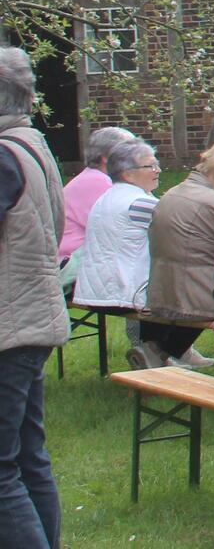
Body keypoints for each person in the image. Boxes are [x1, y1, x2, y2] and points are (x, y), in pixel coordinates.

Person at [0, 46, 65, 549]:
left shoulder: (4, 155)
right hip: (30, 316)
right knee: (27, 457)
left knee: (3, 473)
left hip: (10, 325)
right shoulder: (32, 143)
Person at [137, 138, 214, 370]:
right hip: (195, 295)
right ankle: (158, 353)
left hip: (159, 287)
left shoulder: (173, 192)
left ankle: (155, 350)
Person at [73, 138, 162, 346]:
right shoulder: (140, 202)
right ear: (128, 174)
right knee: (197, 288)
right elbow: (178, 236)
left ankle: (161, 350)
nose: (157, 170)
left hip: (96, 291)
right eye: (150, 166)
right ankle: (161, 350)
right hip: (124, 294)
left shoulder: (107, 197)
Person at [57, 126, 135, 272]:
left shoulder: (94, 177)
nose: (136, 156)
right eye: (128, 150)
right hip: (71, 264)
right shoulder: (98, 182)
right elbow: (124, 228)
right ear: (106, 157)